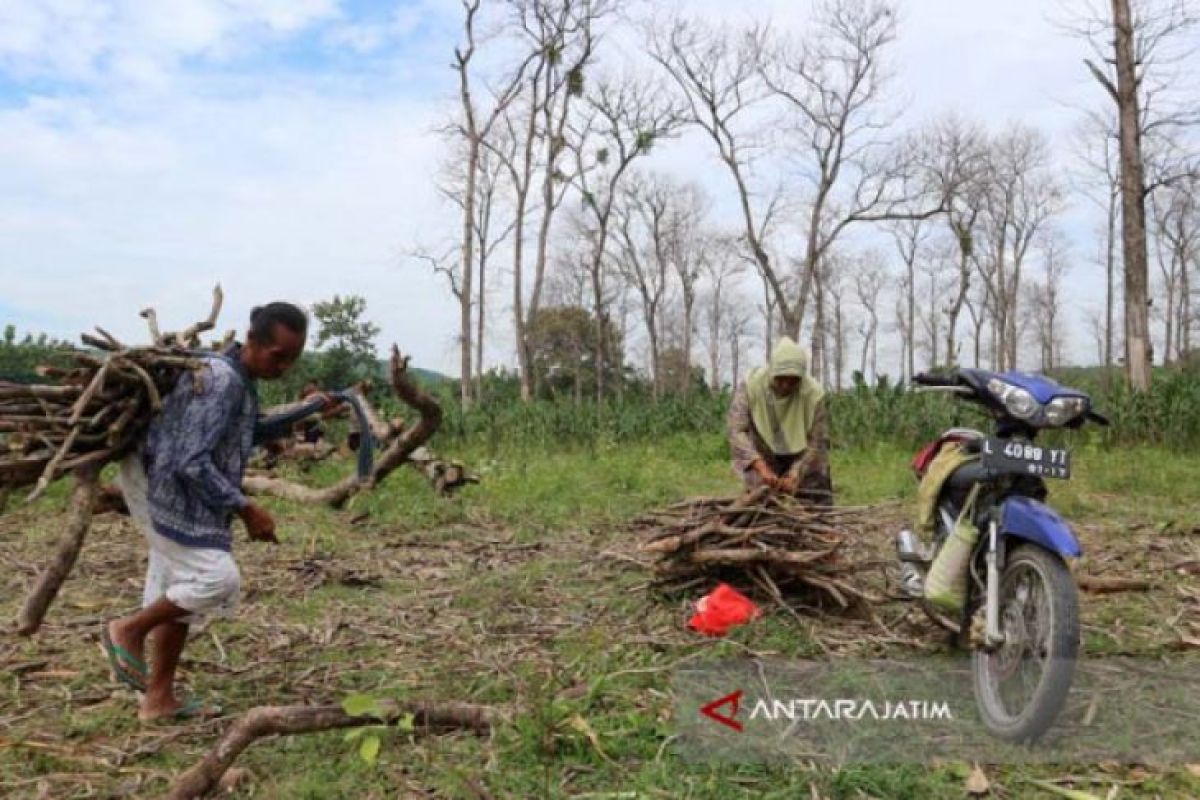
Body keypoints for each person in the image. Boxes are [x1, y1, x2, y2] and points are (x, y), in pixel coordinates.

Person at [101, 303, 340, 723]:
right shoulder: (221, 380)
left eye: (292, 358)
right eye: (277, 355)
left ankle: (158, 700)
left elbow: (248, 429)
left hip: (180, 486)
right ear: (252, 340)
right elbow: (188, 461)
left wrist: (309, 409)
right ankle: (128, 630)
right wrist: (246, 508)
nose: (284, 366)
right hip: (165, 485)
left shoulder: (241, 378)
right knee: (216, 577)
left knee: (176, 587)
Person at [727, 337, 832, 506]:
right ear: (772, 372)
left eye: (793, 381)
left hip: (800, 452)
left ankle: (820, 525)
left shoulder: (813, 394)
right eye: (780, 379)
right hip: (761, 451)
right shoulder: (751, 385)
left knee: (814, 487)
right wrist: (761, 466)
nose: (785, 385)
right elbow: (736, 430)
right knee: (762, 500)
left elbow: (816, 441)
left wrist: (796, 472)